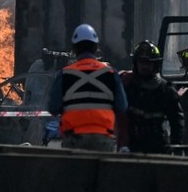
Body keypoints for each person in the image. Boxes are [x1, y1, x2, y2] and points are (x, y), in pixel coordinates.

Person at [48, 24, 128, 152]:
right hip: (103, 140)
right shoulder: (111, 73)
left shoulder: (64, 74)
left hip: (74, 140)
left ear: (74, 48)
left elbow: (53, 108)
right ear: (96, 47)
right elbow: (122, 107)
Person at [118, 40, 184, 154]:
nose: (144, 66)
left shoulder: (165, 90)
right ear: (136, 63)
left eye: (148, 63)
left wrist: (175, 146)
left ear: (155, 65)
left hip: (157, 146)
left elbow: (177, 121)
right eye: (142, 62)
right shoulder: (127, 87)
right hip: (133, 146)